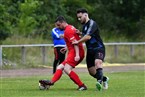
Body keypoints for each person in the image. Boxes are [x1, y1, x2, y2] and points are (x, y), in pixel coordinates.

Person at [39, 16, 87, 91]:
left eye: (58, 25)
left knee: (67, 69)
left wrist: (77, 55)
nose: (58, 27)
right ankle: (51, 82)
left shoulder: (68, 31)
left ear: (63, 22)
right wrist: (66, 48)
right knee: (59, 67)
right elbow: (74, 39)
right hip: (73, 52)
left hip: (75, 52)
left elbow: (75, 43)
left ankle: (82, 86)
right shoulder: (71, 27)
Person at [72, 8, 109, 91]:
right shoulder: (84, 26)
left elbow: (88, 37)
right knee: (92, 72)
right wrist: (80, 33)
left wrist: (77, 42)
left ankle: (99, 83)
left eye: (80, 17)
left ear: (85, 15)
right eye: (78, 17)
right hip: (90, 50)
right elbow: (87, 35)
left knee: (98, 62)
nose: (79, 19)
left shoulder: (92, 23)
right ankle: (104, 79)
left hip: (98, 48)